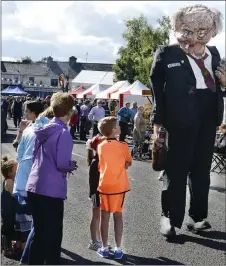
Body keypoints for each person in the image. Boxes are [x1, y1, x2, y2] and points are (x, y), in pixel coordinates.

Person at [150, 4, 226, 238]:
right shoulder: (166, 53)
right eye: (188, 31)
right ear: (178, 29)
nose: (194, 37)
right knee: (177, 169)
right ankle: (170, 218)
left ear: (212, 30)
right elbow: (157, 90)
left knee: (202, 170)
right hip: (179, 117)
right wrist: (157, 122)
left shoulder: (214, 54)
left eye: (202, 30)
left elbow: (220, 84)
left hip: (207, 115)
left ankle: (197, 216)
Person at [26, 92, 78, 265]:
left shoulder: (44, 129)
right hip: (52, 189)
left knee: (39, 234)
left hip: (34, 185)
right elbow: (63, 164)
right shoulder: (64, 133)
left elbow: (34, 155)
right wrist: (72, 165)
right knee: (54, 236)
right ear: (69, 112)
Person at [96, 117, 132, 259]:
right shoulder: (123, 146)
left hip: (105, 184)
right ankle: (118, 248)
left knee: (104, 216)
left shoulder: (100, 145)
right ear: (114, 130)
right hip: (118, 185)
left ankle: (104, 247)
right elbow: (128, 162)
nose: (120, 127)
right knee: (118, 216)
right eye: (117, 125)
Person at [12, 101, 45, 254]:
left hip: (26, 173)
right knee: (38, 211)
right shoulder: (49, 126)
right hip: (42, 174)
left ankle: (27, 244)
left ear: (33, 113)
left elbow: (19, 153)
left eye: (27, 111)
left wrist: (20, 132)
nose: (25, 113)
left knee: (26, 210)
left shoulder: (30, 130)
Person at [86, 134, 105, 250]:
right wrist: (94, 195)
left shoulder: (99, 159)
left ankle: (98, 239)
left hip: (99, 192)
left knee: (99, 216)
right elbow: (93, 182)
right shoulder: (95, 162)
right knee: (96, 216)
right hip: (96, 193)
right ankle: (94, 240)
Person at [1, 155, 18, 257]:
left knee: (10, 227)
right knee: (8, 228)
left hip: (9, 209)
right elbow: (13, 194)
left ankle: (7, 246)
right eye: (16, 169)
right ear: (10, 172)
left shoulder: (9, 179)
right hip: (7, 210)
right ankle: (6, 248)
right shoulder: (9, 181)